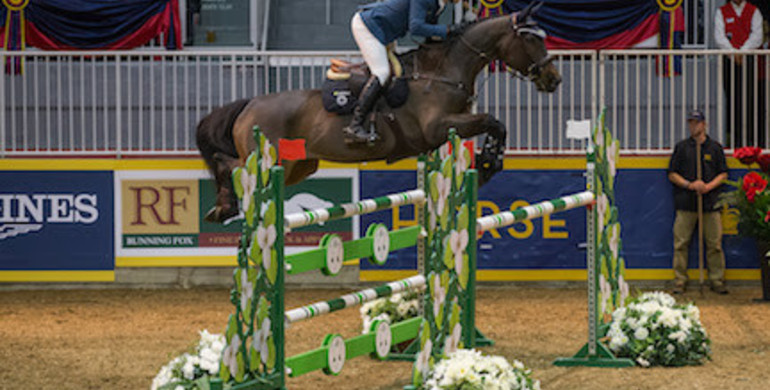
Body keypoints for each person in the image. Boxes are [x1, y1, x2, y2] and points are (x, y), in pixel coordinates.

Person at [344, 0, 464, 144]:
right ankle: (354, 126)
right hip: (368, 27)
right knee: (382, 73)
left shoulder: (439, 5)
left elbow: (430, 36)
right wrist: (447, 30)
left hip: (385, 31)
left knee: (398, 70)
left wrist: (452, 36)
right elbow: (416, 27)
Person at [667, 110, 730, 294]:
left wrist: (708, 186)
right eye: (690, 123)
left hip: (711, 203)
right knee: (680, 243)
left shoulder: (715, 148)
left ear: (704, 125)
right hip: (686, 204)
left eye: (696, 123)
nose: (693, 126)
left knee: (715, 245)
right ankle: (680, 281)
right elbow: (671, 174)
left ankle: (717, 281)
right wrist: (690, 184)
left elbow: (724, 174)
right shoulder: (682, 148)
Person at [715, 0, 764, 148]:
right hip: (729, 61)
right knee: (731, 99)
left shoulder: (754, 11)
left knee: (750, 99)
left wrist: (742, 52)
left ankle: (751, 140)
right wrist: (733, 53)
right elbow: (719, 37)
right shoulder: (721, 11)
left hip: (749, 61)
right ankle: (734, 141)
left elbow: (758, 36)